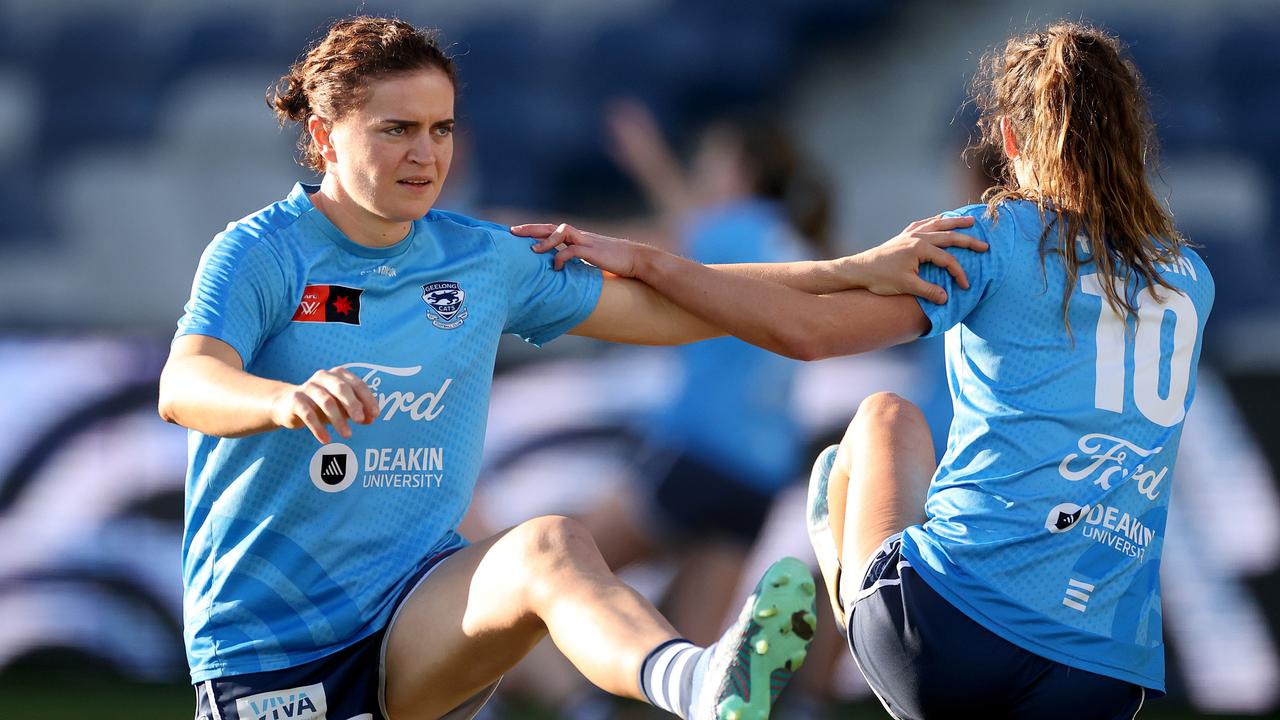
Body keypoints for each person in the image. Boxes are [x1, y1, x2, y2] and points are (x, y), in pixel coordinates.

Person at [157, 16, 983, 720]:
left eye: (441, 129)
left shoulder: (479, 257)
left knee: (550, 545)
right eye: (397, 129)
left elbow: (680, 308)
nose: (425, 154)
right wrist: (283, 400)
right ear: (322, 136)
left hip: (414, 612)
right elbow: (185, 383)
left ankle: (696, 682)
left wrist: (861, 269)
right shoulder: (259, 252)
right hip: (269, 639)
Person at [516, 21, 1214, 719]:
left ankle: (851, 579)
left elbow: (808, 332)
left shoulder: (993, 234)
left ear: (1008, 141)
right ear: (1133, 135)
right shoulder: (1192, 279)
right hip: (1102, 667)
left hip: (949, 634)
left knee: (884, 416)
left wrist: (646, 261)